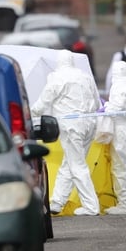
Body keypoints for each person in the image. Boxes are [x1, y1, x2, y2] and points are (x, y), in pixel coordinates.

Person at [31, 49, 101, 216]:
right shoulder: (85, 77)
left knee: (77, 165)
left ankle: (91, 206)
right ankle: (57, 202)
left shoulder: (56, 78)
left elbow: (43, 103)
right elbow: (97, 103)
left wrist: (28, 112)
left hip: (71, 127)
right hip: (89, 123)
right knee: (69, 163)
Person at [102, 61, 126, 215]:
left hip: (121, 131)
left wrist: (105, 107)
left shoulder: (119, 87)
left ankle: (124, 204)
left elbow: (116, 108)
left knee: (120, 168)